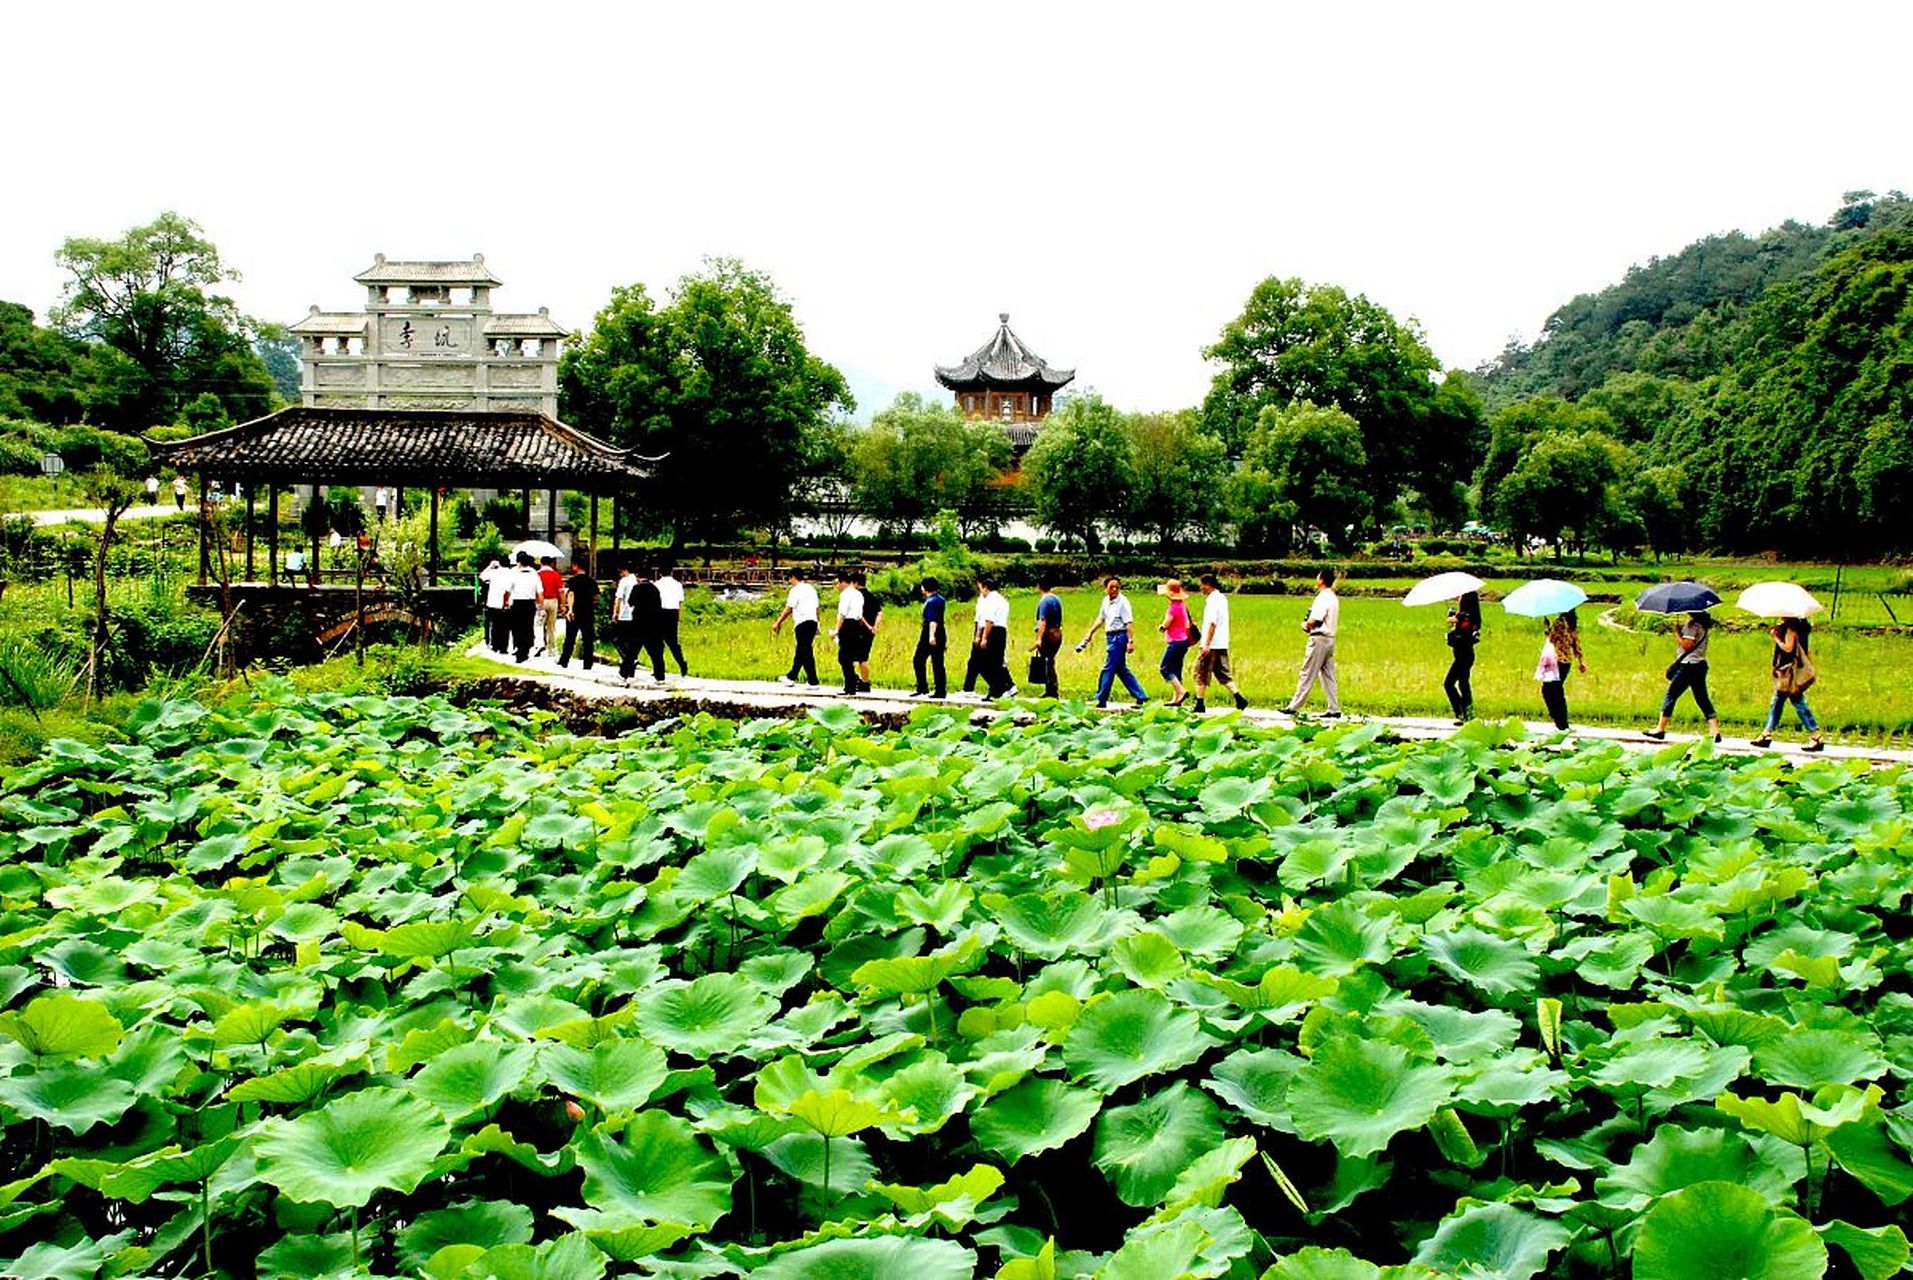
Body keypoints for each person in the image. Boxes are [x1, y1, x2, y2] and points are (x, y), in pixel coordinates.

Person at [1645, 611, 1722, 743]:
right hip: (1700, 665)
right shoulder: (1703, 625)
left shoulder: (1692, 625)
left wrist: (1677, 634)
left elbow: (1687, 645)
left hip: (1687, 665)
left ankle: (1660, 729)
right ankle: (1714, 731)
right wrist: (1682, 632)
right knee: (1702, 698)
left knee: (1671, 695)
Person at [1752, 617, 1825, 751]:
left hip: (1788, 672)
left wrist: (1776, 637)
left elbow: (1788, 648)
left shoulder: (1791, 628)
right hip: (1793, 670)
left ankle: (1816, 735)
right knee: (1778, 702)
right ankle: (1766, 733)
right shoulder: (1802, 626)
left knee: (1797, 703)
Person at [1075, 576, 1148, 708]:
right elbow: (1101, 618)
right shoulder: (1106, 601)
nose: (1114, 590)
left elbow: (1129, 623)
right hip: (1110, 636)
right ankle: (1141, 695)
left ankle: (1100, 698)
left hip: (1119, 637)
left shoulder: (1123, 602)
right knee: (1121, 669)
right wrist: (1090, 633)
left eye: (1117, 587)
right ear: (1105, 589)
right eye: (1111, 587)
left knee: (1108, 667)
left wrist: (1131, 641)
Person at [1282, 567, 1341, 718]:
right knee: (1328, 675)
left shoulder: (1322, 598)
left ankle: (1294, 706)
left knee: (1307, 672)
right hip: (1330, 639)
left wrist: (1306, 625)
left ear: (1321, 580)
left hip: (1319, 638)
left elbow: (1316, 619)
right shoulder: (1333, 597)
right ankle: (1334, 708)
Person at [1192, 574, 1250, 714]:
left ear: (1208, 585)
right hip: (1222, 643)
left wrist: (1206, 644)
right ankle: (1239, 698)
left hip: (1211, 644)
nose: (1201, 588)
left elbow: (1212, 623)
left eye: (1202, 585)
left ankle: (1200, 703)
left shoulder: (1212, 601)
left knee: (1200, 672)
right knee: (1223, 673)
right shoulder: (1222, 598)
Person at [964, 577, 1014, 699]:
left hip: (993, 631)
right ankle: (997, 690)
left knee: (985, 663)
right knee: (995, 663)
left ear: (985, 587)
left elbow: (989, 620)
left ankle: (1000, 688)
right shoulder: (1002, 600)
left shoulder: (991, 600)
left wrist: (984, 637)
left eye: (980, 588)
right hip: (1000, 631)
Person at [1537, 609, 1586, 731]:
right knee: (1557, 690)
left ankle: (1559, 719)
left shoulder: (1560, 623)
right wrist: (1581, 661)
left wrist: (1548, 628)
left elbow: (1553, 639)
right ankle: (1561, 721)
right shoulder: (1572, 623)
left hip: (1556, 660)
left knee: (1548, 690)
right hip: (1566, 662)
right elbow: (1576, 643)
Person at [772, 567, 821, 686]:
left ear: (793, 577)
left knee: (805, 651)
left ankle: (813, 681)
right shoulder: (811, 589)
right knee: (802, 650)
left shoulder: (795, 590)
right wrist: (818, 623)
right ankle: (791, 676)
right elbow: (817, 608)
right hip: (812, 621)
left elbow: (789, 608)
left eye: (790, 579)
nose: (790, 582)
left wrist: (778, 622)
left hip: (802, 623)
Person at [1444, 591, 1482, 724]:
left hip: (1462, 655)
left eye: (1461, 596)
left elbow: (1460, 630)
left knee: (1448, 683)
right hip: (1467, 654)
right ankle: (1467, 713)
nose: (1459, 598)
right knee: (1463, 683)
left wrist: (1454, 621)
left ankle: (1461, 712)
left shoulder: (1464, 616)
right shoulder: (1473, 617)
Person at [832, 571, 869, 695]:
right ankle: (851, 684)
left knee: (844, 657)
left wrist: (836, 630)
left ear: (843, 582)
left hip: (847, 625)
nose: (837, 586)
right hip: (856, 626)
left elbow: (842, 614)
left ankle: (850, 685)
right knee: (848, 656)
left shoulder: (845, 595)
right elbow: (859, 615)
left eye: (838, 583)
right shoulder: (859, 594)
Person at [1157, 580, 1192, 707]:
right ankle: (1176, 698)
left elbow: (1166, 623)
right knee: (1176, 669)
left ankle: (1181, 692)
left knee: (1164, 668)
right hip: (1184, 641)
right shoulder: (1182, 605)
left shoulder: (1173, 607)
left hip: (1175, 642)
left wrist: (1161, 627)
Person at [559, 554, 597, 670]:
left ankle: (564, 660)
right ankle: (588, 663)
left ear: (576, 566)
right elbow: (595, 598)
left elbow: (571, 594)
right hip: (588, 612)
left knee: (570, 637)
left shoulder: (573, 580)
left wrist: (569, 609)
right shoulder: (591, 581)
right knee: (588, 639)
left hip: (575, 611)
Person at [503, 553, 542, 663]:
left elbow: (507, 590)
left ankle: (520, 649)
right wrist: (540, 606)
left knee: (517, 628)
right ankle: (525, 649)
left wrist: (505, 602)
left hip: (517, 603)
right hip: (530, 604)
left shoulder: (514, 573)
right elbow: (540, 592)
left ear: (518, 562)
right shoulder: (534, 574)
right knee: (528, 627)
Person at [913, 577, 947, 698]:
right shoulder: (940, 599)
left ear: (925, 588)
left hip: (930, 631)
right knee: (938, 662)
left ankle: (923, 687)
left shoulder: (931, 602)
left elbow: (933, 620)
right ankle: (940, 689)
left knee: (918, 659)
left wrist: (931, 636)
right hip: (941, 631)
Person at [1032, 577, 1064, 698]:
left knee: (1047, 662)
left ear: (1039, 587)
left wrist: (1039, 638)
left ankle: (1052, 690)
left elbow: (1043, 621)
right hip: (1058, 632)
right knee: (1050, 661)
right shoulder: (1057, 599)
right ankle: (1051, 688)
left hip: (1049, 634)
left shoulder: (1044, 601)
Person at [655, 565, 689, 675]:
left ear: (660, 573)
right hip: (673, 613)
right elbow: (679, 602)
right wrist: (678, 616)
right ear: (672, 572)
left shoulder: (656, 585)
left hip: (660, 613)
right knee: (673, 642)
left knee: (658, 643)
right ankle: (682, 663)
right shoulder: (677, 585)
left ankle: (659, 669)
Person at [613, 562, 640, 684]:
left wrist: (615, 613)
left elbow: (618, 598)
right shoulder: (636, 580)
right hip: (636, 615)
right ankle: (631, 668)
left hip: (624, 615)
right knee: (630, 641)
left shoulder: (624, 581)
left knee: (618, 640)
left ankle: (629, 659)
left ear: (624, 570)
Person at [854, 569, 881, 692]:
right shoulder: (872, 597)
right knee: (863, 657)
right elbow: (879, 613)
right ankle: (863, 681)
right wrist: (875, 626)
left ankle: (864, 682)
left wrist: (868, 626)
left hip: (860, 630)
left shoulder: (858, 597)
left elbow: (858, 615)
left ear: (856, 583)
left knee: (860, 658)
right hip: (870, 632)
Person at [535, 556, 564, 658]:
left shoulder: (537, 574)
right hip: (553, 601)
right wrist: (562, 604)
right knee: (551, 626)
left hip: (541, 602)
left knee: (539, 624)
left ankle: (539, 645)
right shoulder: (556, 575)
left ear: (541, 563)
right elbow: (561, 591)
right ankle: (551, 648)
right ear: (551, 563)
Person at [480, 557, 509, 653]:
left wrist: (489, 567)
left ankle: (495, 645)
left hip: (493, 602)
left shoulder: (493, 572)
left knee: (495, 625)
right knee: (504, 626)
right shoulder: (509, 572)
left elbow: (482, 576)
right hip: (505, 602)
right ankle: (503, 647)